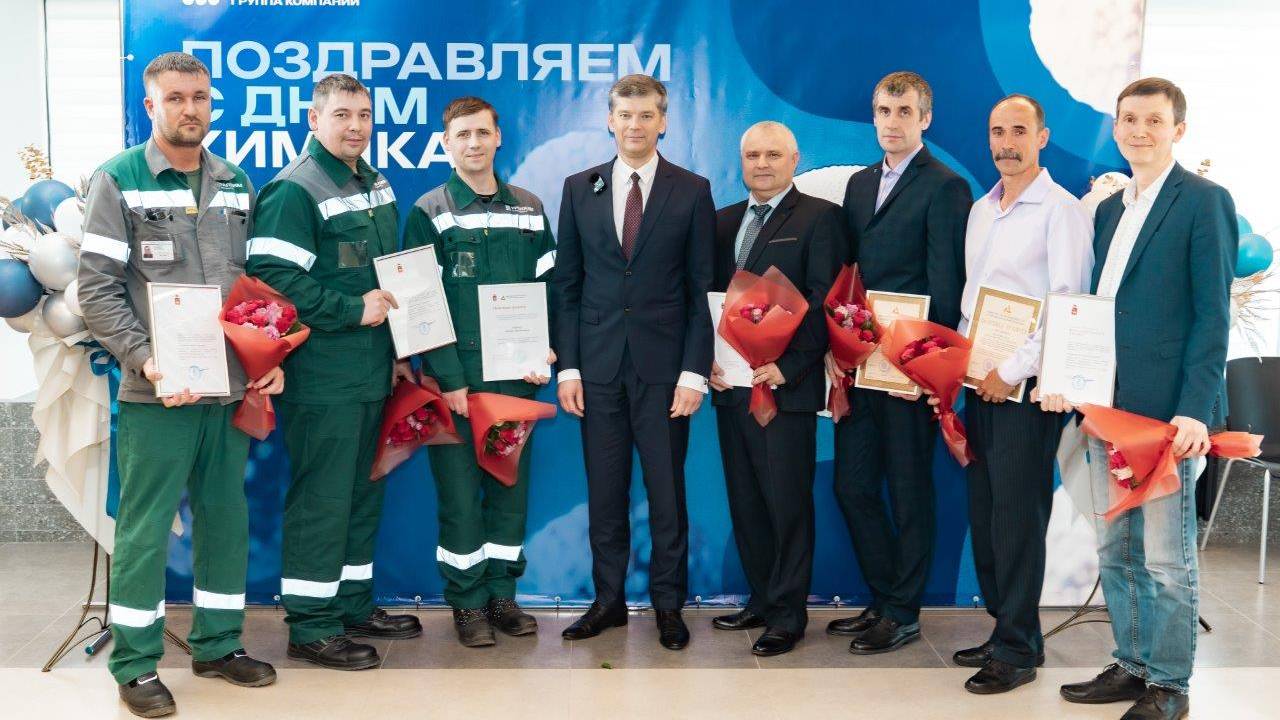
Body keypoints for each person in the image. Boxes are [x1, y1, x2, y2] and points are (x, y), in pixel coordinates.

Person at [78, 51, 281, 718]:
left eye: (200, 97)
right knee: (145, 529)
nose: (190, 109)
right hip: (157, 393)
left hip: (228, 390)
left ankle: (218, 646)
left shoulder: (235, 181)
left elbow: (252, 289)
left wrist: (267, 354)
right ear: (151, 106)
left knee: (226, 521)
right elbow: (97, 291)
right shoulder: (119, 179)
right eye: (175, 98)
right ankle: (135, 666)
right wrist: (145, 360)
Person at [1047, 77, 1237, 720]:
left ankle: (1170, 684)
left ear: (1178, 130)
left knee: (1165, 558)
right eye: (1129, 119)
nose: (1139, 131)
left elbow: (1212, 317)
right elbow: (1097, 312)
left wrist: (1194, 410)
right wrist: (1070, 381)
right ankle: (1131, 664)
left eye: (1154, 120)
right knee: (1116, 550)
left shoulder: (1205, 201)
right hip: (1108, 409)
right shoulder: (1107, 210)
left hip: (1166, 418)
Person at [246, 72, 421, 670]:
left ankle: (351, 606)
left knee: (361, 494)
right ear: (314, 120)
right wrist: (352, 310)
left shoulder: (374, 182)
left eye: (364, 115)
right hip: (322, 376)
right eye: (342, 115)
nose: (355, 126)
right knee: (323, 498)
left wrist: (400, 349)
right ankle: (312, 626)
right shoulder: (294, 190)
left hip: (374, 371)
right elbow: (274, 281)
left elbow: (390, 278)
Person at [552, 74, 715, 651]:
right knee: (605, 493)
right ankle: (608, 602)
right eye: (625, 115)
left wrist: (694, 373)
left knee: (667, 494)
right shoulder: (579, 188)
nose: (635, 125)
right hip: (596, 371)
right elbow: (567, 286)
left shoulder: (691, 190)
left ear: (663, 122)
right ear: (610, 120)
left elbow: (701, 291)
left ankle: (669, 605)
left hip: (666, 375)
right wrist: (569, 369)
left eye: (646, 116)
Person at [939, 94, 1093, 694]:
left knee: (1018, 518)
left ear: (1042, 137)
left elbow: (1067, 303)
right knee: (987, 513)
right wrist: (963, 363)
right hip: (981, 383)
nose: (1007, 143)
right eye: (997, 131)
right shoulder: (982, 210)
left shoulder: (1062, 211)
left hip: (1024, 392)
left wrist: (1012, 369)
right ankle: (1007, 627)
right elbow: (973, 300)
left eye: (1019, 131)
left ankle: (1019, 649)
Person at [824, 70, 971, 654]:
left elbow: (946, 286)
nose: (892, 122)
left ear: (925, 119)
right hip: (862, 363)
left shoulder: (946, 186)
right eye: (884, 111)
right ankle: (886, 597)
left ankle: (904, 612)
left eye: (904, 111)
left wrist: (931, 366)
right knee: (853, 486)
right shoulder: (860, 184)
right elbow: (851, 275)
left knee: (909, 492)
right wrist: (840, 345)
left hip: (911, 369)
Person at [402, 96, 557, 647]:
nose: (473, 143)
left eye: (482, 133)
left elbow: (551, 287)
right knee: (461, 497)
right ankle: (467, 603)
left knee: (509, 488)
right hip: (455, 384)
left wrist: (545, 352)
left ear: (498, 137)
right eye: (462, 134)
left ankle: (502, 596)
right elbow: (417, 303)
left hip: (516, 380)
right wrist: (448, 378)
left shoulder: (530, 208)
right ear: (447, 144)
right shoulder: (429, 211)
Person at [707, 121, 841, 657]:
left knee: (786, 504)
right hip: (731, 386)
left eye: (773, 155)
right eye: (753, 155)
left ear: (794, 159)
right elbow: (708, 298)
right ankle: (762, 598)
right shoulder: (722, 222)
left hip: (785, 388)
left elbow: (826, 298)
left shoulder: (820, 218)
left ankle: (788, 615)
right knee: (746, 501)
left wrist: (792, 365)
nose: (762, 164)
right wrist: (705, 361)